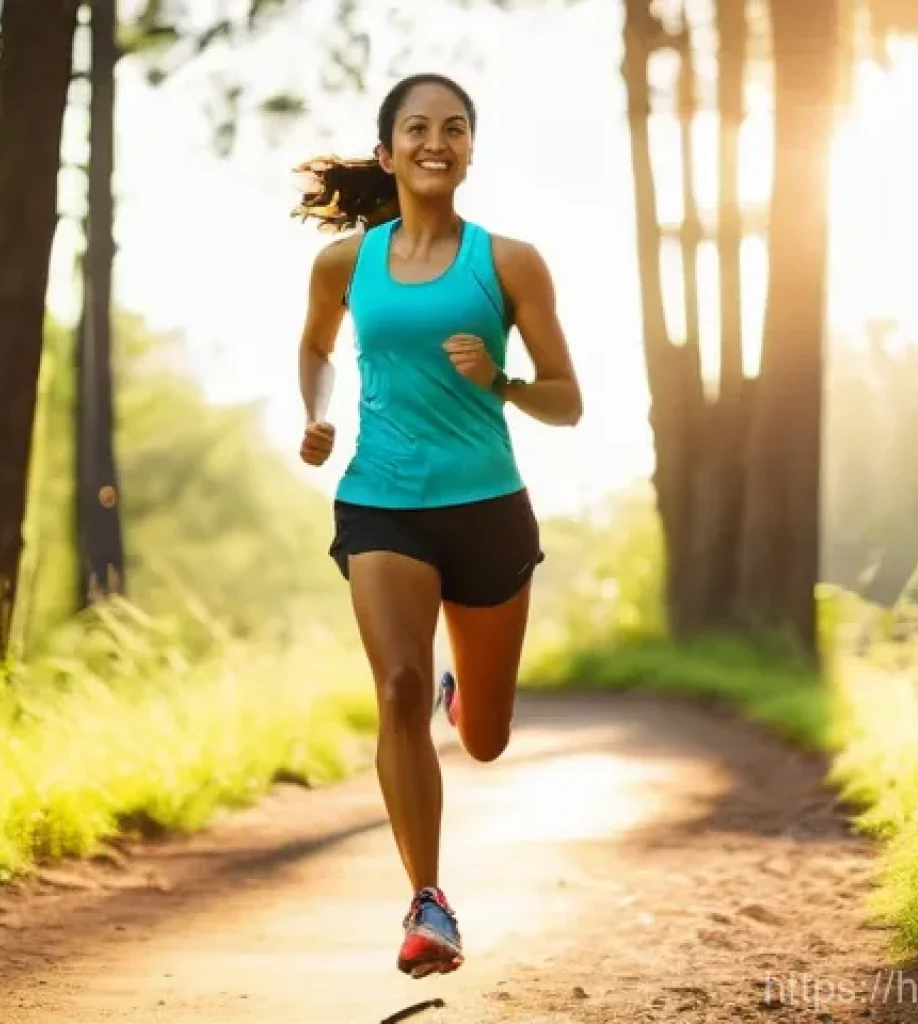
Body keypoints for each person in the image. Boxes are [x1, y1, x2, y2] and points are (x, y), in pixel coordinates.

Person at [293, 72, 582, 979]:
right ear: (387, 153)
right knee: (397, 689)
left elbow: (568, 403)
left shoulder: (510, 263)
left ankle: (471, 696)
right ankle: (428, 901)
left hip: (489, 508)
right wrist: (316, 410)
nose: (436, 141)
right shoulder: (347, 263)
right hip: (382, 498)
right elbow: (314, 345)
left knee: (486, 736)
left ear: (469, 149)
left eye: (454, 128)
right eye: (417, 128)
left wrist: (498, 381)